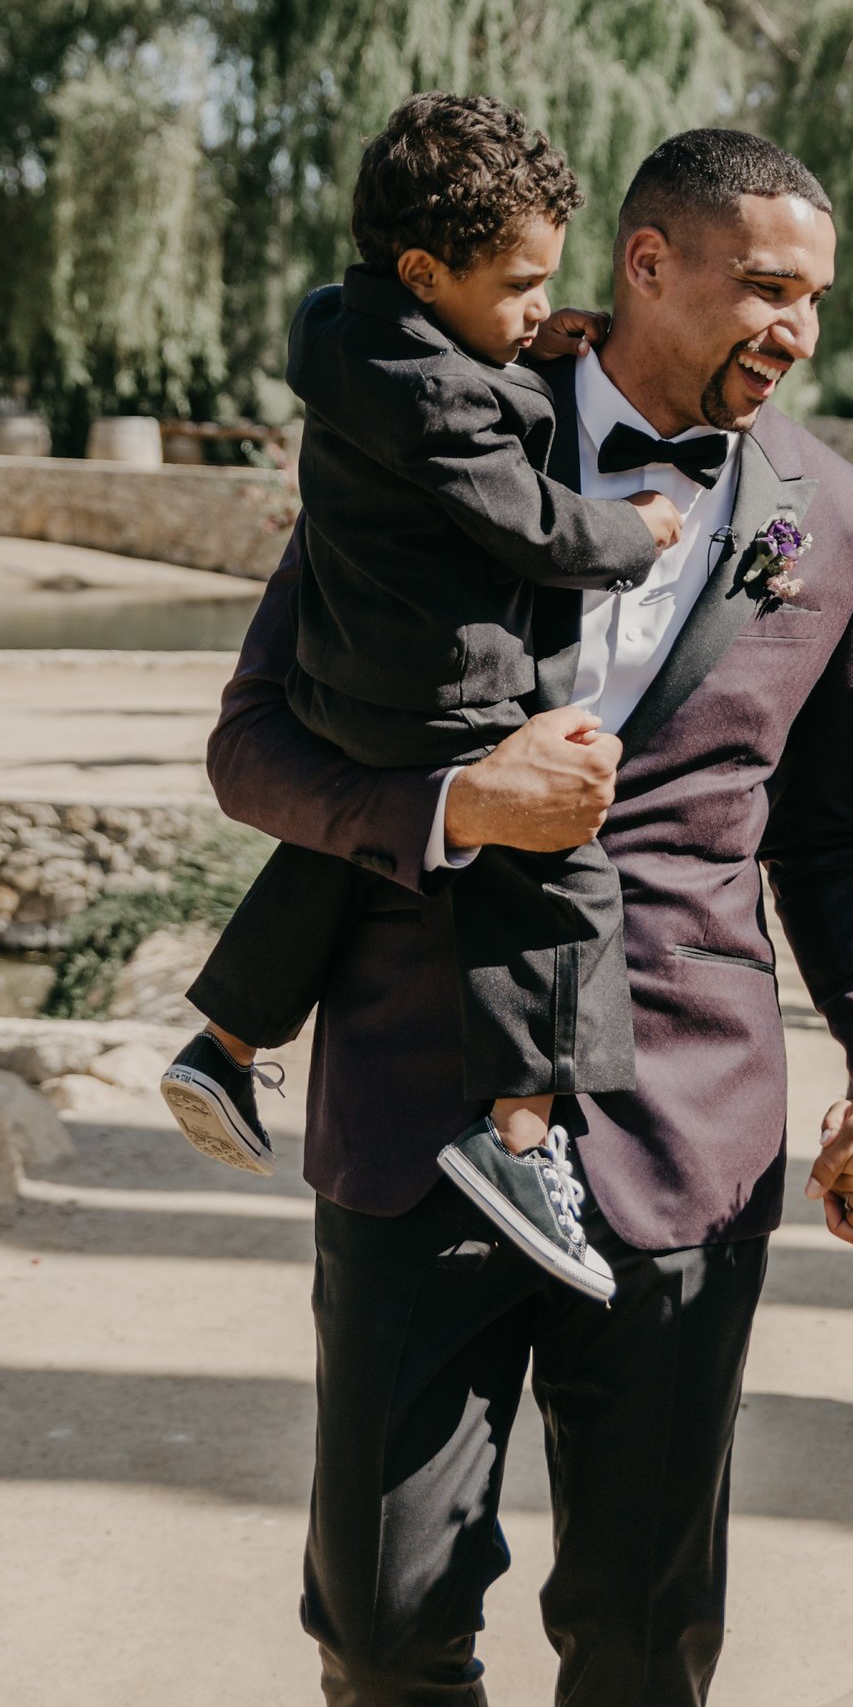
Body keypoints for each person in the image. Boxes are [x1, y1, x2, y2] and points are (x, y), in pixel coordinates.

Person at [202, 124, 853, 1707]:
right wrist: (447, 807)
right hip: (420, 1100)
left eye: (810, 298)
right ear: (642, 264)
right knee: (378, 1593)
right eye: (759, 288)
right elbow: (256, 744)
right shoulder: (430, 411)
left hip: (691, 1140)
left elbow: (840, 843)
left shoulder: (845, 518)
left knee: (644, 1631)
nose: (792, 328)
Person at [159, 95, 684, 1300]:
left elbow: (452, 374)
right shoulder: (456, 402)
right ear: (422, 269)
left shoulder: (339, 331)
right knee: (560, 872)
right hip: (443, 692)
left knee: (343, 853)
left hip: (346, 684)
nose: (541, 310)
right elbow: (541, 530)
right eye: (518, 287)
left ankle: (225, 1043)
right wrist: (640, 528)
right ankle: (519, 1138)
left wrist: (517, 344)